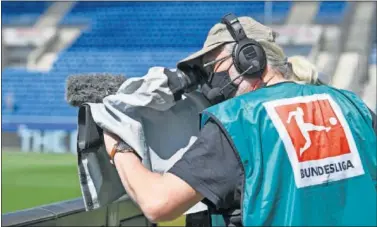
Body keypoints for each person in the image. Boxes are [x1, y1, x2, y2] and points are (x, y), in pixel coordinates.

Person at [102, 14, 377, 226]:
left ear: (248, 58)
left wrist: (120, 145)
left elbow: (157, 203)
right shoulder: (351, 104)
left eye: (213, 67)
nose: (209, 82)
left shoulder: (239, 121)